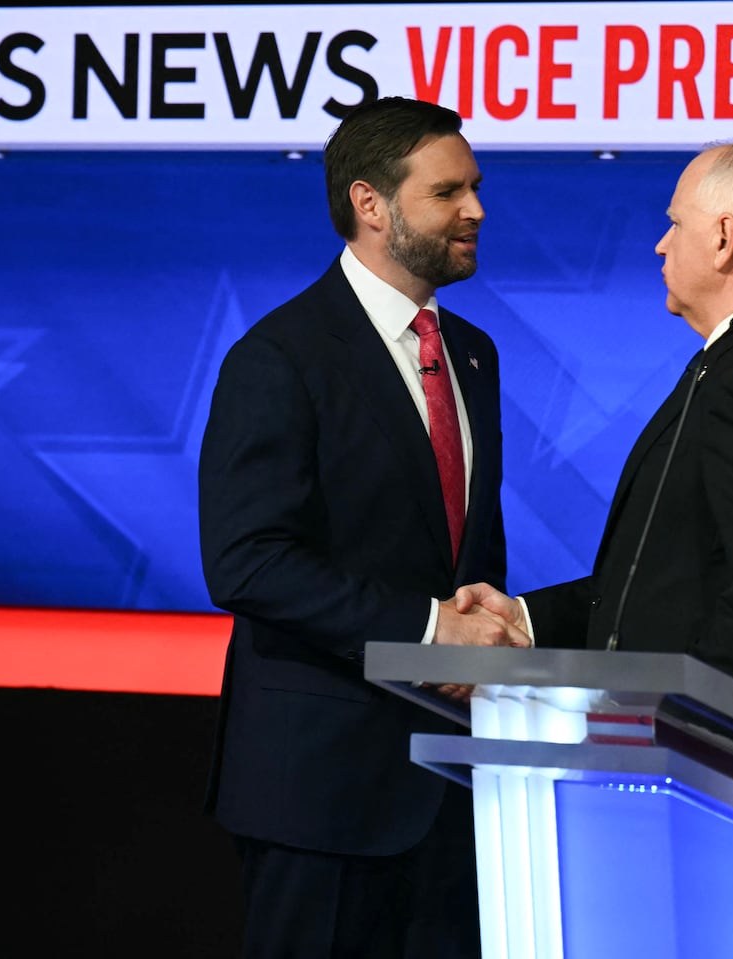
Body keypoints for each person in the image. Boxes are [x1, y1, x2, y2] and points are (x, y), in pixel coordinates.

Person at [198, 96, 525, 959]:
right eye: (448, 191)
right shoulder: (281, 357)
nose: (476, 210)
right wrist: (430, 630)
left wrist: (488, 627)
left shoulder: (474, 355)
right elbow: (247, 562)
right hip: (321, 793)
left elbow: (462, 547)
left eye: (477, 188)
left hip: (453, 784)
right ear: (370, 204)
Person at [458, 140, 733, 724]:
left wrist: (666, 716)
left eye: (675, 223)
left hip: (721, 766)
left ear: (724, 239)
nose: (661, 242)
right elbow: (669, 579)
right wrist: (526, 619)